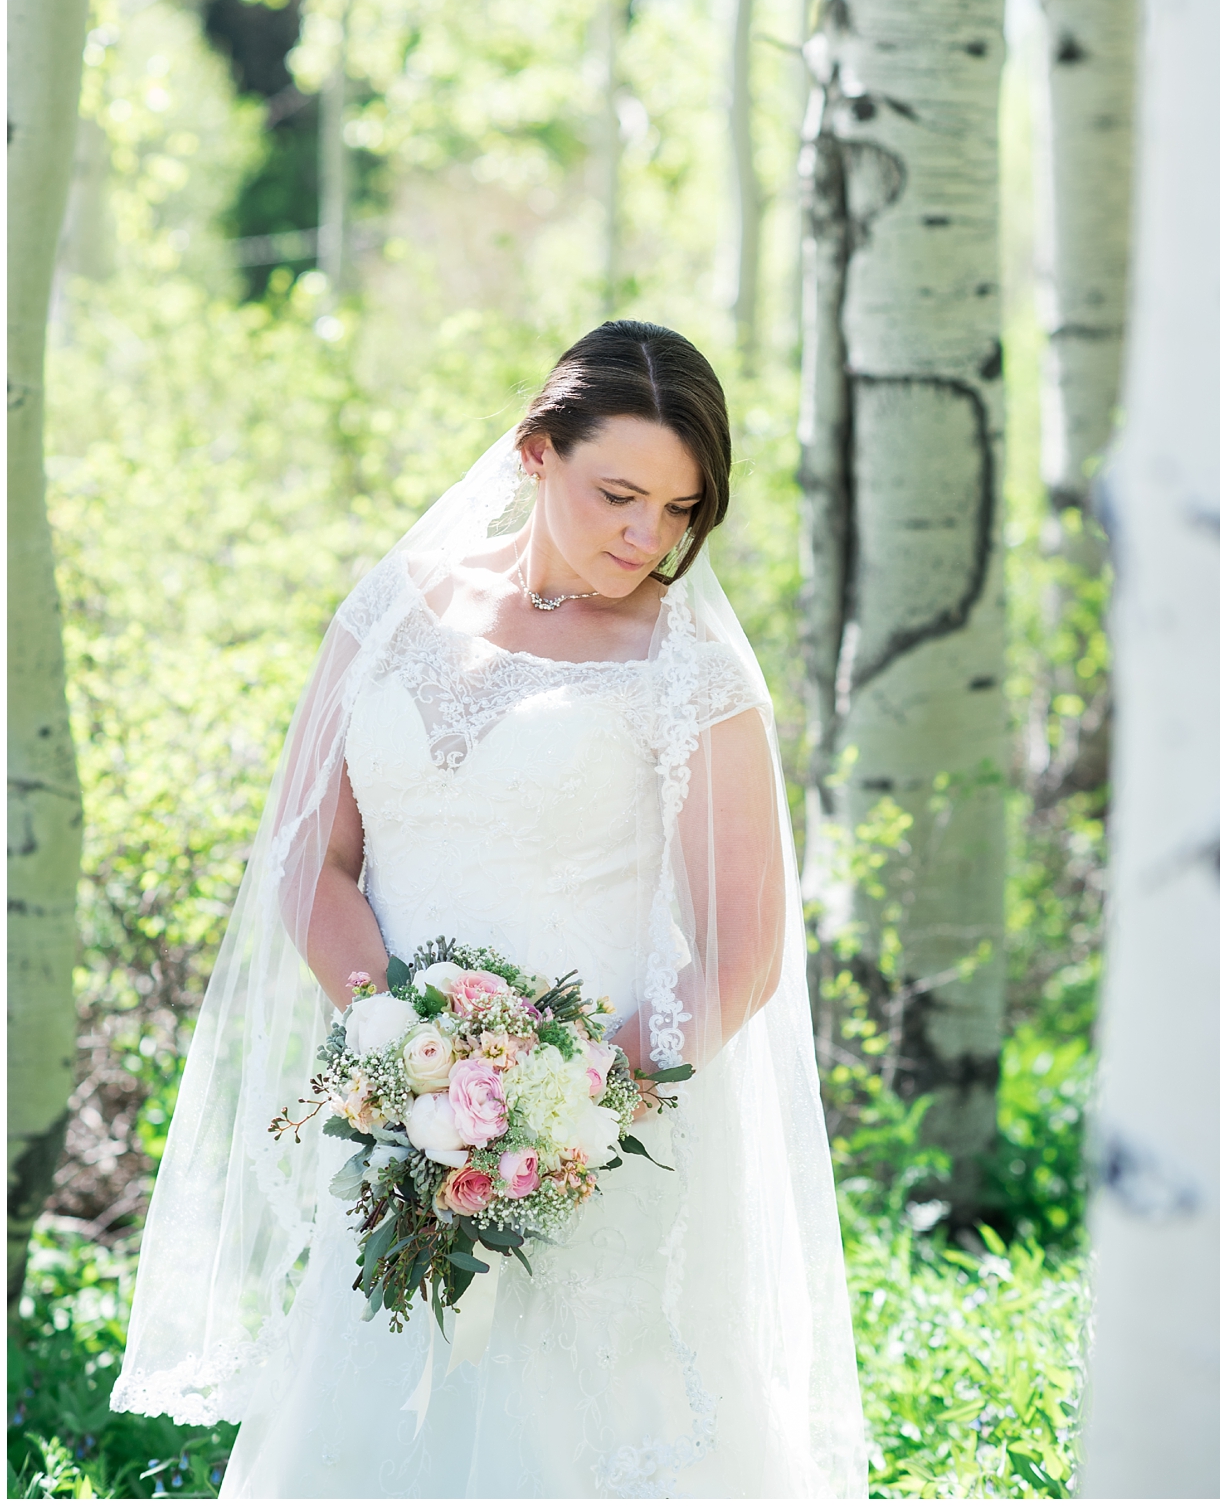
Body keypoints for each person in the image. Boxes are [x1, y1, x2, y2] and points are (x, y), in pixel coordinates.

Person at [111, 322, 867, 1497]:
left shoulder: (694, 671)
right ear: (534, 452)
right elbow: (313, 856)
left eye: (679, 510)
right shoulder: (390, 611)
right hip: (393, 1111)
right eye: (619, 492)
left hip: (601, 1125)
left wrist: (569, 1114)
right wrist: (404, 1059)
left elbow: (744, 953)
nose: (644, 536)